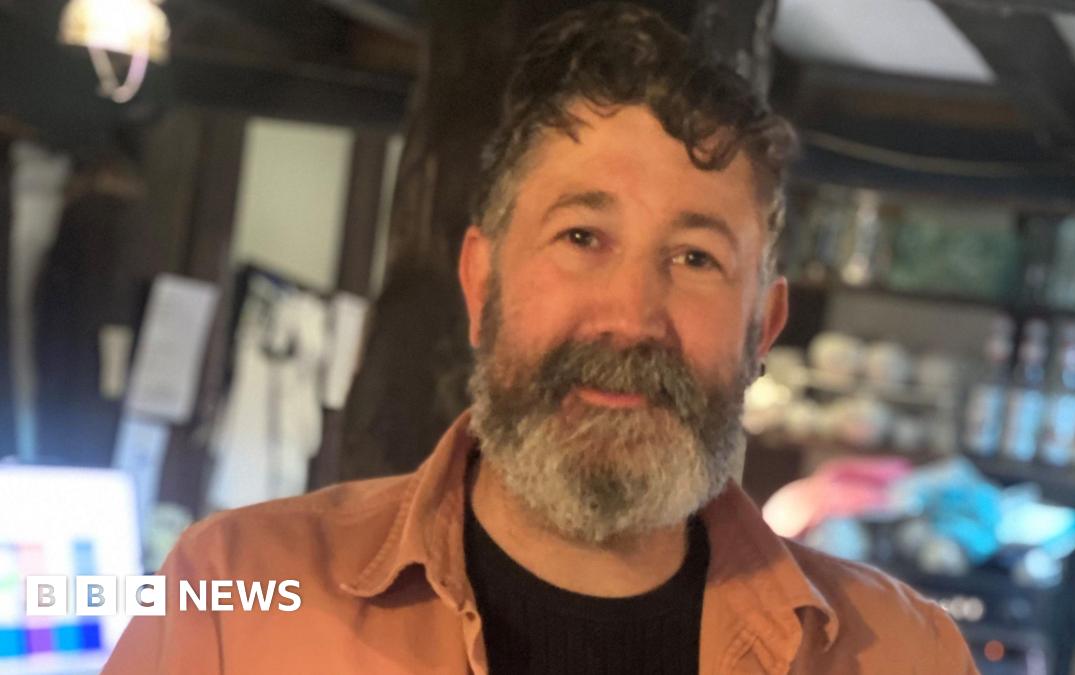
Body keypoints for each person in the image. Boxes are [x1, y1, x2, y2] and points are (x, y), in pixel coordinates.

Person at [104, 3, 979, 673]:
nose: (631, 316)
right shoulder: (233, 594)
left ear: (763, 329)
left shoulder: (902, 654)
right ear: (482, 280)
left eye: (695, 256)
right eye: (581, 237)